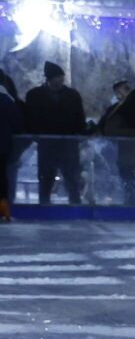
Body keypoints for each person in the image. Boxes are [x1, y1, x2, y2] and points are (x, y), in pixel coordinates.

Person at [24, 61, 86, 205]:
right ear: (49, 78)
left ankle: (74, 204)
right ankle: (45, 205)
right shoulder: (36, 95)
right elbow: (31, 119)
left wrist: (78, 133)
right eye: (58, 77)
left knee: (71, 178)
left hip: (66, 144)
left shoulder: (71, 95)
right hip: (49, 144)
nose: (61, 80)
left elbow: (79, 117)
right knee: (46, 177)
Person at [0, 73, 21, 221]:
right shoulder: (7, 100)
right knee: (2, 181)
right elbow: (18, 125)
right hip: (2, 147)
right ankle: (4, 213)